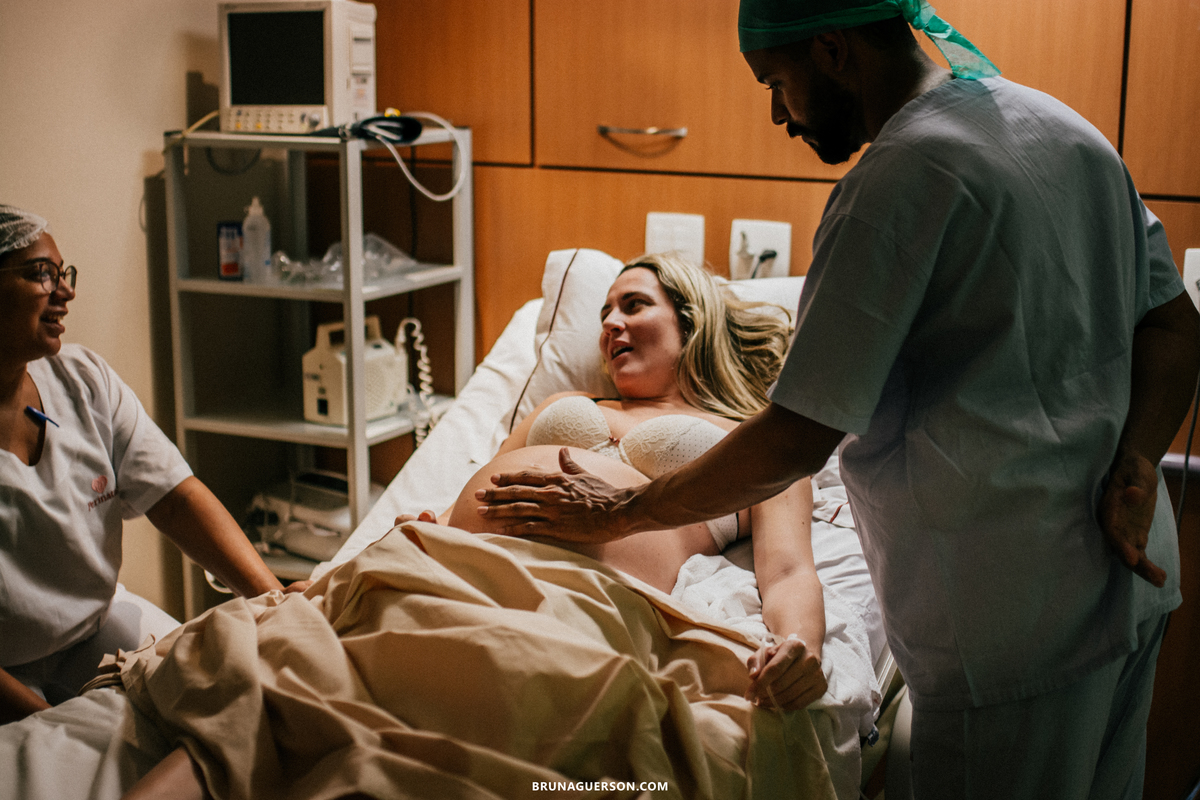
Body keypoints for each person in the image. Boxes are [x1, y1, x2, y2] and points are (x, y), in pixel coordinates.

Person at [477, 2, 1200, 798]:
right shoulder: (1062, 129)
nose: (778, 114)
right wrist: (1137, 460)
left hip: (1009, 622)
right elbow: (1175, 325)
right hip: (1123, 580)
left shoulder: (894, 185)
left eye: (777, 83)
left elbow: (794, 440)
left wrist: (616, 513)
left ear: (832, 48)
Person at [0, 204, 287, 725]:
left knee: (232, 701)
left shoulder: (83, 380)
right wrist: (47, 723)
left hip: (97, 624)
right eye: (41, 274)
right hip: (8, 672)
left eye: (63, 274)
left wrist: (275, 600)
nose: (64, 292)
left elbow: (176, 499)